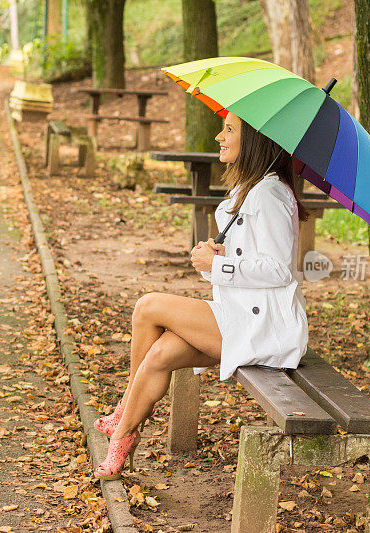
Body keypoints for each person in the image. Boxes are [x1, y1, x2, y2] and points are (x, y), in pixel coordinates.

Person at [92, 111, 310, 481]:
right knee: (160, 353)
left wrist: (219, 266)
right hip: (241, 315)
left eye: (229, 130)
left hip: (265, 326)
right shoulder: (252, 190)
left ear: (254, 140)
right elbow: (253, 261)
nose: (218, 137)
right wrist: (220, 258)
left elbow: (278, 269)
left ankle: (124, 411)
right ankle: (125, 435)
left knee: (148, 307)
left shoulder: (270, 193)